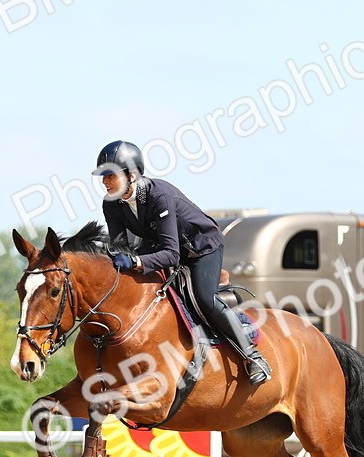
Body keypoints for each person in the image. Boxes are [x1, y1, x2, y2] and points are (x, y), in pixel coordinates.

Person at [92, 140, 272, 386]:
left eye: (109, 175)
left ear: (131, 175)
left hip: (201, 247)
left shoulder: (158, 195)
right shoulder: (110, 203)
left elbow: (172, 255)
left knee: (203, 299)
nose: (104, 181)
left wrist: (135, 260)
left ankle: (252, 355)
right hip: (160, 246)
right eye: (102, 176)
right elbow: (121, 246)